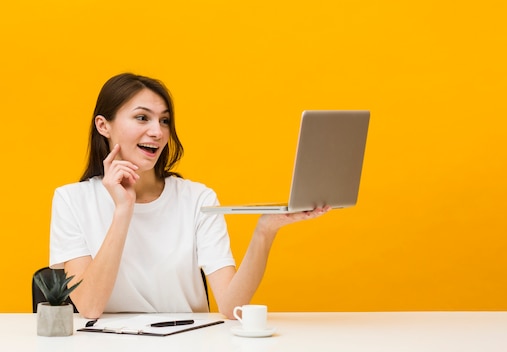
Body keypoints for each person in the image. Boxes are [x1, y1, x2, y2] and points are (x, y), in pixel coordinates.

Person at [49, 73, 329, 319]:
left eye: (165, 120)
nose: (157, 132)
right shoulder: (71, 200)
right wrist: (124, 209)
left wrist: (265, 231)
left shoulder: (197, 199)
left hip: (189, 340)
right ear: (103, 125)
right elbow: (89, 307)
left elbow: (232, 308)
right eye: (142, 117)